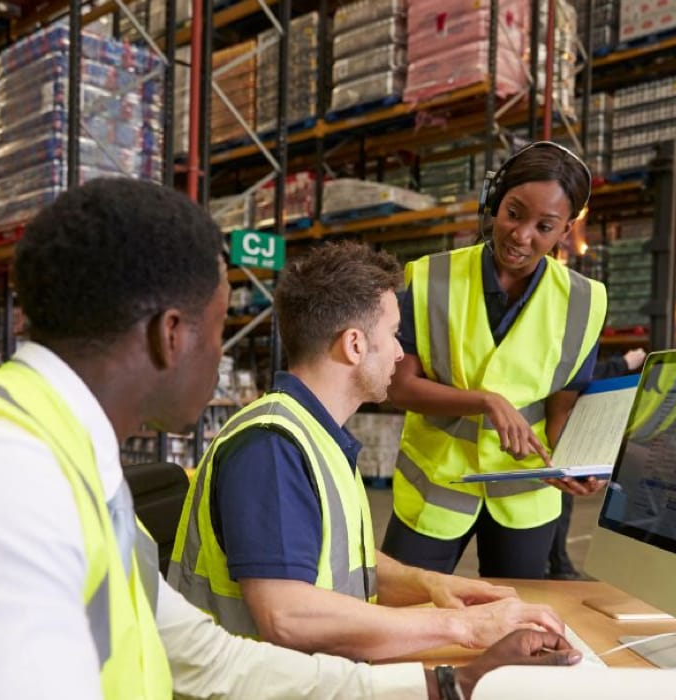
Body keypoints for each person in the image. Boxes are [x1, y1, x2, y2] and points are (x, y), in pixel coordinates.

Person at [0, 179, 579, 700]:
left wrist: (441, 682)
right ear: (171, 336)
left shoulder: (74, 459)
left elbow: (205, 659)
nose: (229, 352)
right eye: (220, 328)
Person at [169, 241, 566, 662]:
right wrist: (462, 627)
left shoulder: (313, 434)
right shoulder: (271, 447)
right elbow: (287, 615)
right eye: (394, 334)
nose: (399, 351)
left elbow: (343, 562)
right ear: (354, 345)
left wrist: (433, 585)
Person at [382, 142, 609, 579]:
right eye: (513, 213)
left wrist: (573, 461)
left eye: (544, 226)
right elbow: (399, 387)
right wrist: (484, 401)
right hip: (436, 484)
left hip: (524, 492)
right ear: (494, 203)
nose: (522, 235)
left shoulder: (585, 301)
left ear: (565, 231)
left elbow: (563, 401)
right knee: (400, 605)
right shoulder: (430, 277)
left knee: (516, 622)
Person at [544, 345, 648, 579]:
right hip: (550, 446)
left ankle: (559, 562)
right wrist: (621, 364)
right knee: (560, 504)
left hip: (558, 443)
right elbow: (580, 376)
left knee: (561, 504)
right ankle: (559, 564)